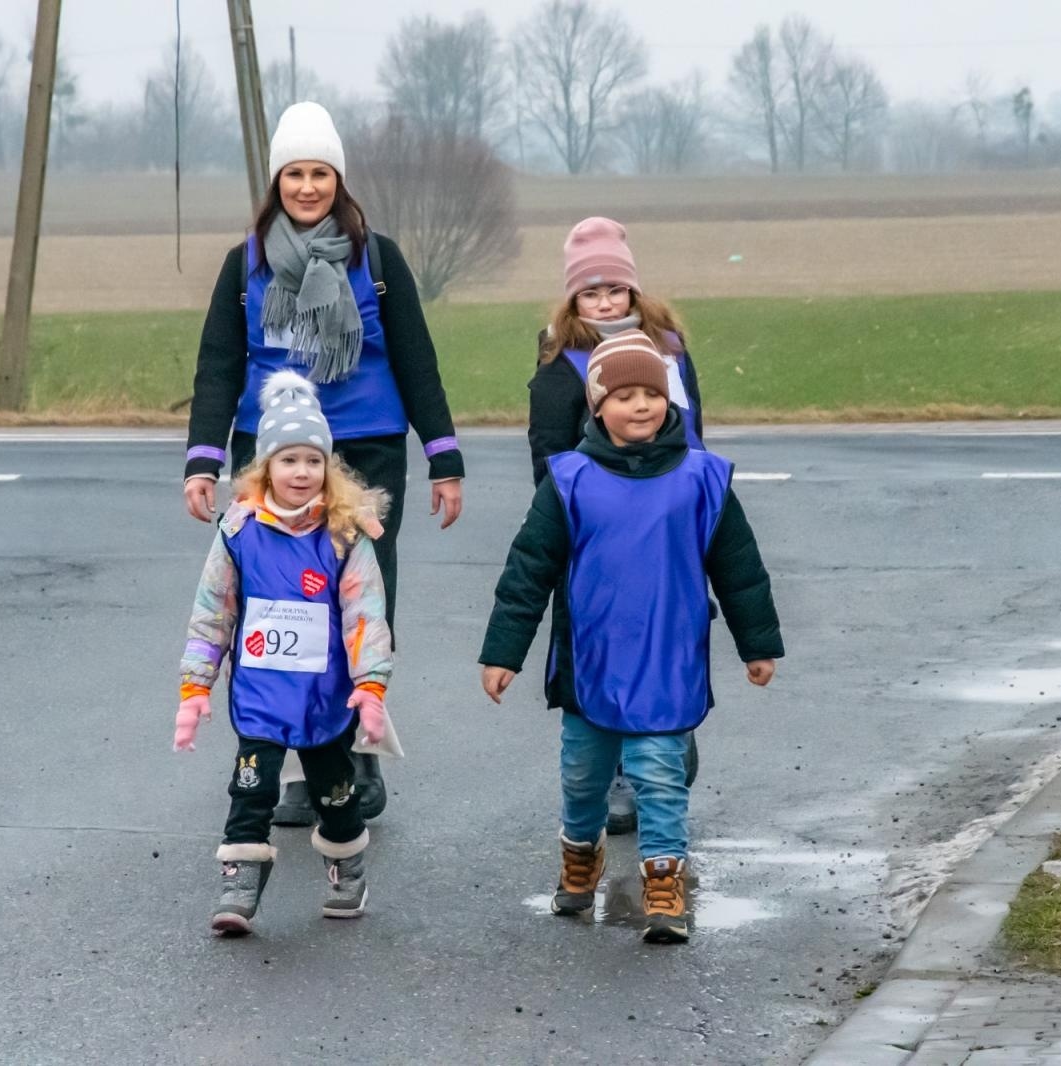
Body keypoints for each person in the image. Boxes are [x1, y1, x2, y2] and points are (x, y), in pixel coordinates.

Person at [181, 101, 463, 826]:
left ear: (339, 179)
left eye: (321, 173)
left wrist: (443, 456)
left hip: (364, 450)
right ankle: (299, 760)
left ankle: (355, 756)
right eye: (295, 174)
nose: (308, 186)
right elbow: (219, 363)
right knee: (277, 603)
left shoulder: (380, 259)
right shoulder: (243, 263)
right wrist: (205, 460)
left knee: (355, 599)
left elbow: (416, 359)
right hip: (269, 453)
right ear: (278, 182)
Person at [479, 330, 783, 944]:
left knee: (660, 774)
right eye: (625, 395)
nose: (641, 405)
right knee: (583, 776)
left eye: (652, 393)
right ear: (598, 407)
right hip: (589, 661)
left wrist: (758, 643)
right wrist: (502, 653)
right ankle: (579, 857)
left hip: (669, 662)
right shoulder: (568, 481)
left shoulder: (704, 479)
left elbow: (740, 568)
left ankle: (664, 884)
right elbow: (527, 571)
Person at [176, 370, 394, 936]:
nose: (302, 472)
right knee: (251, 787)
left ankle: (347, 867)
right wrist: (194, 688)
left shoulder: (346, 537)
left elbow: (366, 616)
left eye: (313, 461)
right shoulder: (238, 532)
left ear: (329, 468)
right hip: (261, 695)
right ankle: (239, 886)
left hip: (326, 698)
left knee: (336, 794)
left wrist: (370, 687)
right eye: (288, 460)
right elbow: (213, 612)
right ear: (264, 467)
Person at [527, 216, 706, 836]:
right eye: (590, 293)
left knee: (672, 632)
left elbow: (696, 435)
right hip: (595, 534)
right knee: (603, 646)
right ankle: (625, 775)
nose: (604, 303)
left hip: (669, 522)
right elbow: (547, 457)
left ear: (634, 290)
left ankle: (670, 733)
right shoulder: (560, 363)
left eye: (615, 290)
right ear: (573, 298)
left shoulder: (671, 348)